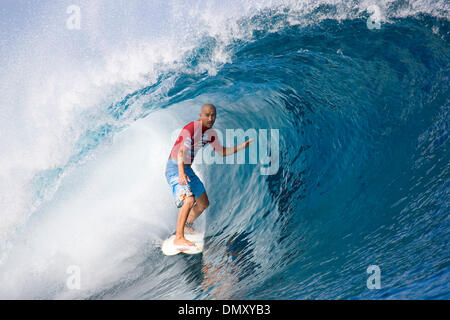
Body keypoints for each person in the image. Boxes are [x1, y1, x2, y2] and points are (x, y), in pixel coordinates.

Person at [165, 104, 253, 247]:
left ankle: (187, 225)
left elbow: (222, 152)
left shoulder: (211, 134)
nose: (211, 118)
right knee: (189, 199)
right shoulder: (191, 129)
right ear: (200, 115)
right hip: (175, 167)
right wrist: (181, 173)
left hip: (187, 169)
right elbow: (181, 152)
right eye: (207, 115)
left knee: (203, 203)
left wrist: (242, 146)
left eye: (213, 115)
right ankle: (178, 237)